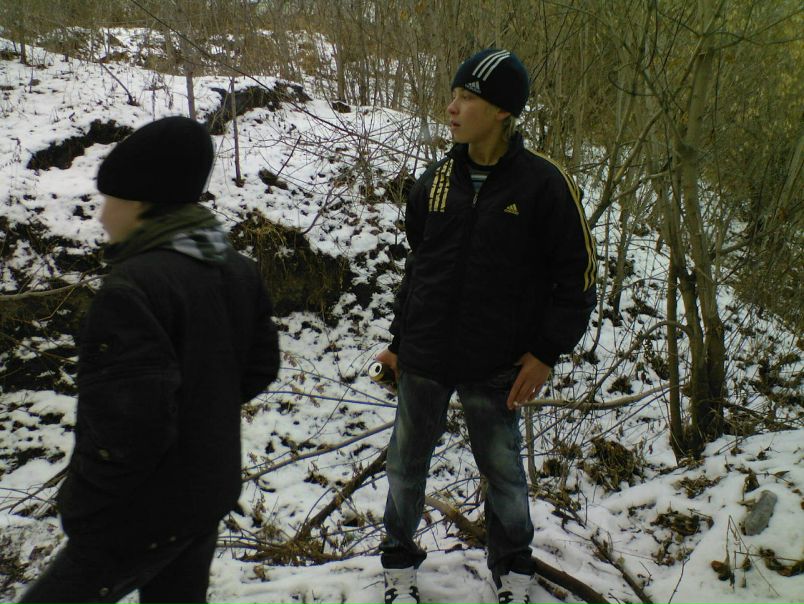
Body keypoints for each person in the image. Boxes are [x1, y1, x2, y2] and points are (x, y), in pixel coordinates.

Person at [19, 116, 280, 604]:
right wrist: (200, 414)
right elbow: (259, 368)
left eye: (110, 200)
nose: (102, 216)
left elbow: (127, 428)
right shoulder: (236, 269)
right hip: (205, 494)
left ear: (141, 201)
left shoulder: (132, 288)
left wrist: (86, 509)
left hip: (136, 515)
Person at [376, 49, 597, 604]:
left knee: (504, 475)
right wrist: (398, 342)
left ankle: (514, 573)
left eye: (467, 98)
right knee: (404, 468)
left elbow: (578, 278)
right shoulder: (435, 181)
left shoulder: (543, 185)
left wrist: (545, 353)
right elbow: (421, 267)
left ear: (502, 111)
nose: (452, 108)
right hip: (425, 356)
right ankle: (397, 563)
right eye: (453, 95)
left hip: (497, 363)